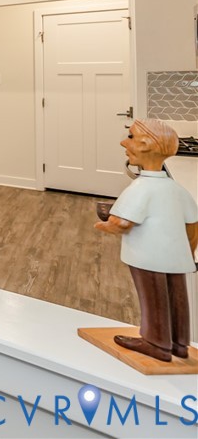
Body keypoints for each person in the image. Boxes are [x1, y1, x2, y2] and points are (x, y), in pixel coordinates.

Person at [94, 119, 198, 362]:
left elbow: (122, 222)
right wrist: (188, 251)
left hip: (148, 254)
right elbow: (193, 224)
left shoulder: (142, 188)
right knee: (176, 295)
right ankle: (179, 343)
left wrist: (107, 224)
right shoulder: (177, 190)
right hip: (176, 255)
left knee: (153, 296)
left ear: (146, 145)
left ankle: (157, 342)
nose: (123, 142)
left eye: (129, 138)